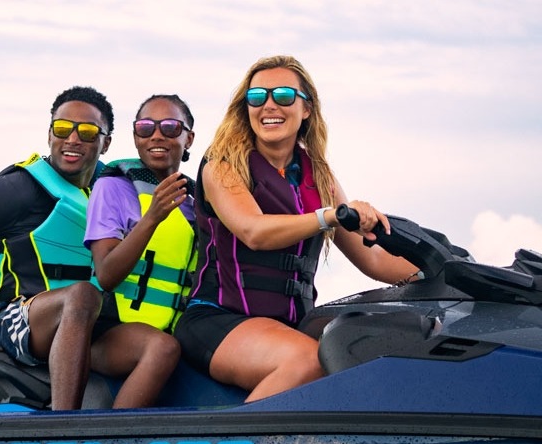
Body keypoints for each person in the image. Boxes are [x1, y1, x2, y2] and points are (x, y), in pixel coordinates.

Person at [0, 86, 173, 410]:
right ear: (49, 135)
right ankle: (63, 429)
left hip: (86, 324)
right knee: (82, 295)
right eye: (62, 129)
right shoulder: (15, 191)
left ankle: (112, 437)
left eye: (87, 132)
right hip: (11, 323)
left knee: (161, 348)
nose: (73, 139)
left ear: (106, 143)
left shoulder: (114, 188)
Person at [173, 56, 415, 402]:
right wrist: (329, 216)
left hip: (291, 324)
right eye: (257, 97)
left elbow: (373, 260)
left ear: (307, 109)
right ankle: (242, 436)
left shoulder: (320, 176)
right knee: (308, 360)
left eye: (284, 95)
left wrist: (442, 274)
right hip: (218, 321)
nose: (269, 105)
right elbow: (254, 231)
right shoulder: (222, 165)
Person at [81, 94, 198, 407]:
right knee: (162, 349)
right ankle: (114, 435)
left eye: (170, 127)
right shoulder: (112, 187)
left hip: (174, 327)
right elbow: (106, 275)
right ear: (135, 137)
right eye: (146, 127)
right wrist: (153, 217)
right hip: (110, 330)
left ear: (189, 138)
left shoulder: (196, 202)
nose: (157, 135)